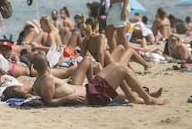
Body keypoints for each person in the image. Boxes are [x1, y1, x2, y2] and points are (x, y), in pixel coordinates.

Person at [30, 52, 166, 106]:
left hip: (90, 89)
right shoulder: (47, 79)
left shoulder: (40, 80)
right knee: (123, 70)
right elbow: (48, 102)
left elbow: (38, 96)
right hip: (93, 96)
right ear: (48, 63)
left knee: (115, 65)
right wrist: (67, 99)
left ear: (34, 68)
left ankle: (134, 97)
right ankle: (147, 99)